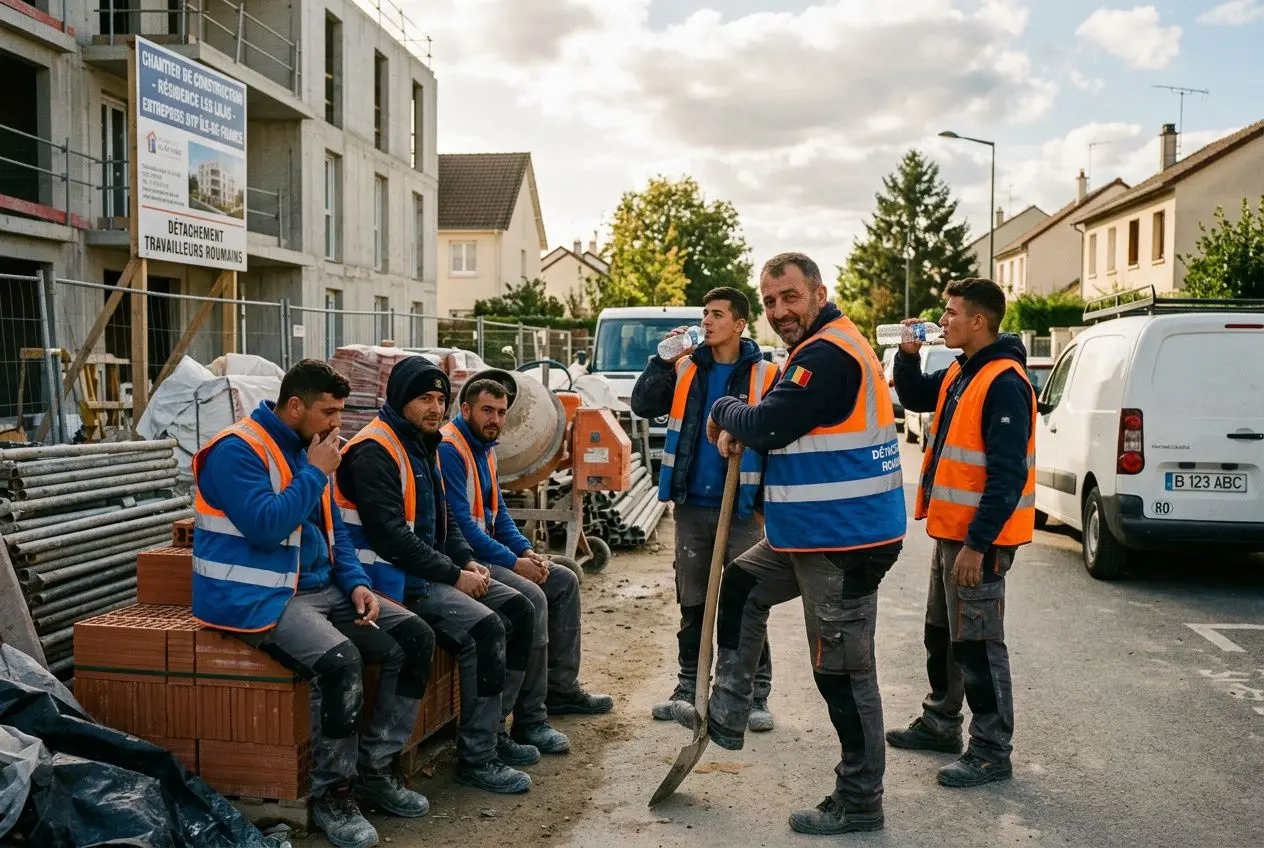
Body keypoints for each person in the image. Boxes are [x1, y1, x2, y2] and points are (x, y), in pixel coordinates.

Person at [672, 252, 906, 836]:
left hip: (844, 542)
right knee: (741, 585)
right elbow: (781, 427)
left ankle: (860, 799)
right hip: (807, 533)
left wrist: (726, 413)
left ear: (819, 294)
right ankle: (727, 712)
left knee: (843, 674)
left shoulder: (829, 355)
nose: (779, 311)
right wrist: (743, 428)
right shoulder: (814, 349)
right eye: (770, 301)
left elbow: (769, 424)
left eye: (790, 297)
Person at [192, 359, 434, 848]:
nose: (337, 424)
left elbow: (333, 529)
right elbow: (265, 526)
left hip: (321, 588)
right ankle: (333, 796)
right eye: (329, 412)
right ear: (295, 406)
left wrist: (357, 584)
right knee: (340, 663)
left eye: (341, 412)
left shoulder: (308, 449)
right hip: (259, 596)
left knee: (414, 637)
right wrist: (314, 472)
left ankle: (376, 768)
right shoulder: (237, 450)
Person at [333, 356, 538, 795]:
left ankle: (493, 733)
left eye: (440, 400)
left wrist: (464, 560)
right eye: (425, 399)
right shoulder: (374, 450)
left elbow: (442, 517)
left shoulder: (421, 443)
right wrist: (454, 574)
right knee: (485, 629)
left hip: (421, 574)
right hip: (387, 582)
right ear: (400, 399)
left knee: (519, 609)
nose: (435, 408)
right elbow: (391, 537)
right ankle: (473, 757)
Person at [886, 277, 1035, 788]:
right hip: (952, 534)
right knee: (942, 633)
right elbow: (914, 396)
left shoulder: (1004, 382)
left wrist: (977, 545)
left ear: (979, 320)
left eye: (951, 313)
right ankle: (941, 722)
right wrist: (907, 356)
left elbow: (1008, 475)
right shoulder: (962, 369)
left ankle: (991, 751)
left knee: (978, 644)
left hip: (978, 543)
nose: (942, 320)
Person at [630, 286, 779, 730]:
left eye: (717, 314)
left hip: (743, 509)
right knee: (693, 604)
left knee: (746, 604)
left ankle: (753, 695)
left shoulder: (766, 375)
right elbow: (643, 404)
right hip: (693, 507)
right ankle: (688, 688)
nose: (707, 322)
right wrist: (661, 361)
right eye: (705, 314)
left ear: (739, 324)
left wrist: (766, 506)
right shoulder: (686, 367)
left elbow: (778, 441)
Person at [438, 378, 613, 754]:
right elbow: (462, 527)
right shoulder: (450, 448)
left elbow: (498, 514)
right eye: (487, 411)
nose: (496, 420)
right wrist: (514, 563)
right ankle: (529, 719)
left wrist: (528, 551)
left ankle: (561, 690)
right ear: (465, 410)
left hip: (488, 553)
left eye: (501, 413)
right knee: (532, 597)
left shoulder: (485, 447)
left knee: (563, 580)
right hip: (465, 558)